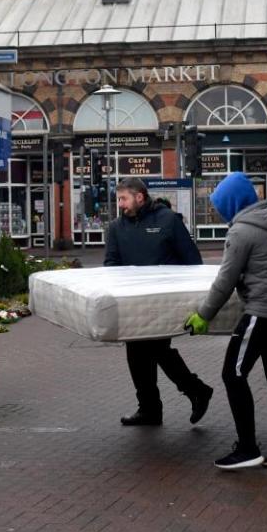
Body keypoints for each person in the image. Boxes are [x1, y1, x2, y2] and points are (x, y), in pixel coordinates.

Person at [184, 172, 267, 470]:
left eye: (220, 205)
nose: (218, 211)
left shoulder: (241, 232)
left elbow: (225, 280)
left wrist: (203, 315)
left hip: (262, 312)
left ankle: (248, 449)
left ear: (232, 202)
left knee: (233, 374)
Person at [105, 177, 213, 427]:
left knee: (154, 349)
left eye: (123, 199)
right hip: (132, 303)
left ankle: (193, 391)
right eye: (118, 199)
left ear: (139, 197)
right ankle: (152, 408)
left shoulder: (168, 220)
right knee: (136, 353)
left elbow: (192, 261)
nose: (120, 204)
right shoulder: (116, 228)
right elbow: (110, 265)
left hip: (164, 302)